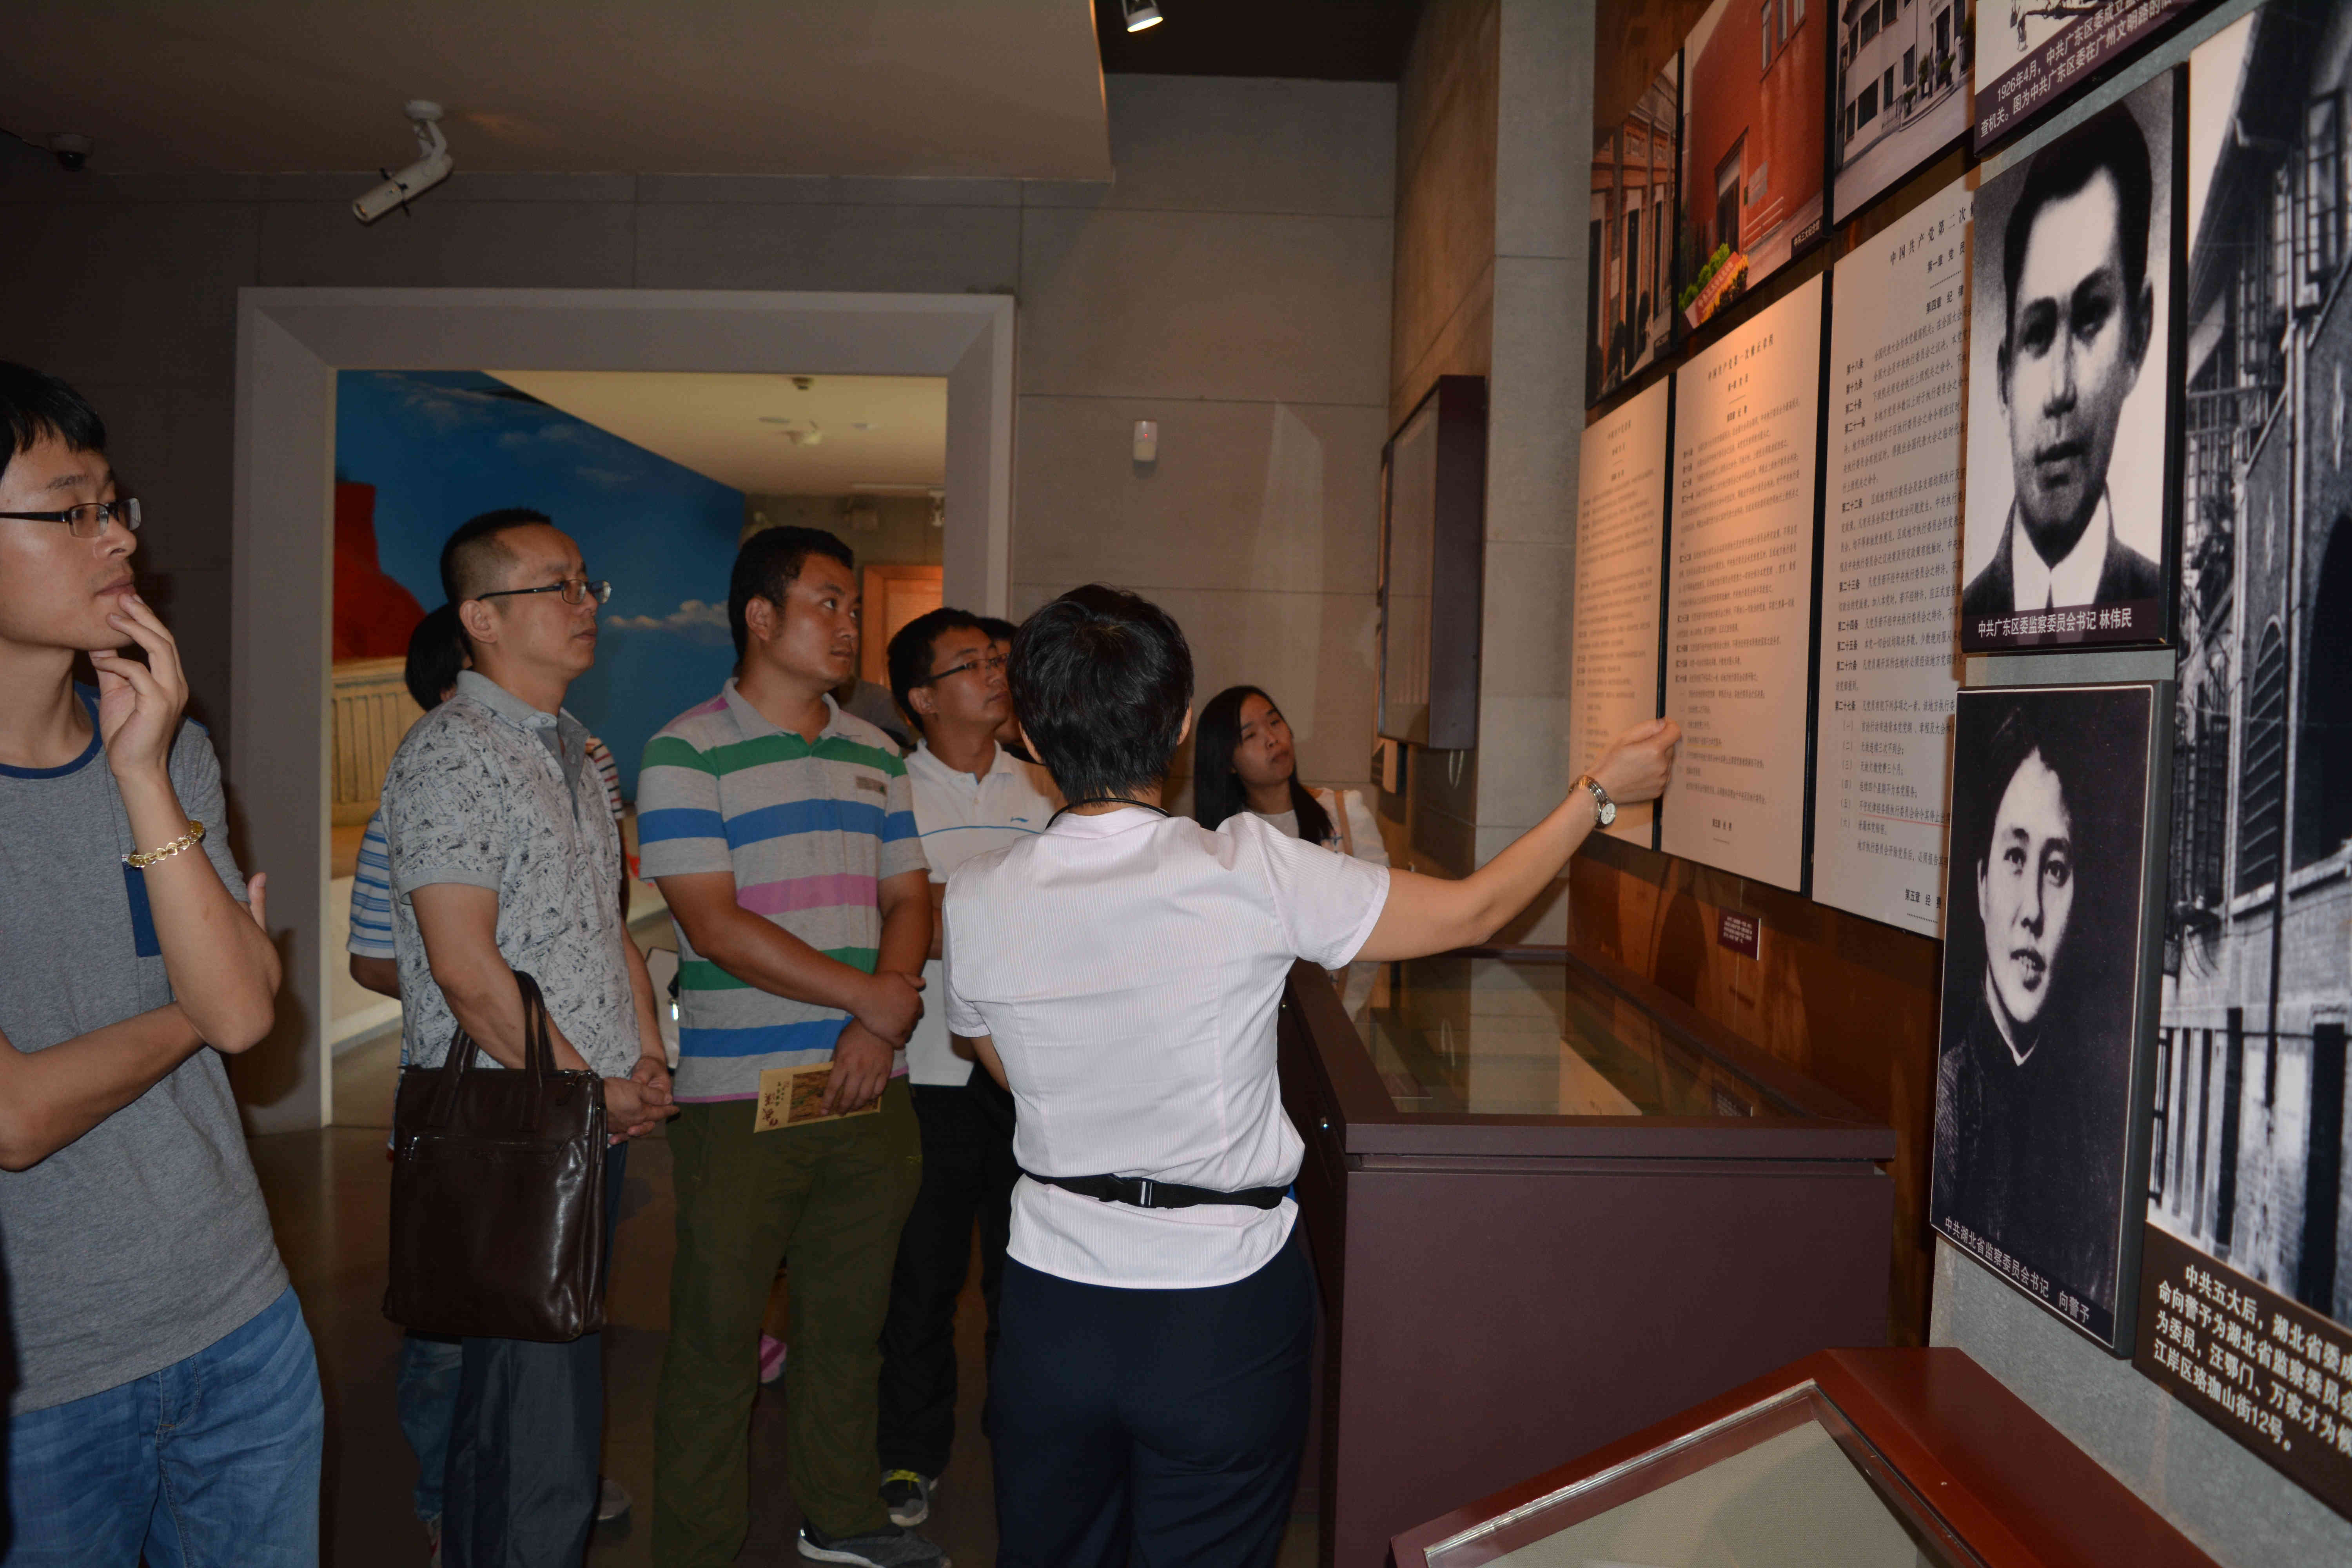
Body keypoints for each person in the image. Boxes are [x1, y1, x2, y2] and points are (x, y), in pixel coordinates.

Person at [942, 585, 1677, 1566]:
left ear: (1029, 733)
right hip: (1219, 1301)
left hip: (1049, 1298)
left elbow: (1001, 1064)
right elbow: (1473, 910)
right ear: (1179, 723)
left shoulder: (977, 894)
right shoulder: (1250, 866)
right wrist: (1599, 791)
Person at [0, 362, 319, 1563]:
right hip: (41, 1382)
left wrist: (140, 772)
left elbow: (246, 1016)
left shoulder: (163, 744)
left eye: (114, 504)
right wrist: (211, 997)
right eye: (70, 510)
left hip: (241, 1320)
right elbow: (17, 1117)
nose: (118, 537)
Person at [638, 526, 943, 1568]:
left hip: (873, 1086)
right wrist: (873, 999)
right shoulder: (685, 751)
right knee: (717, 1341)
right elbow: (714, 925)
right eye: (828, 602)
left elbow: (909, 896)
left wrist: (874, 1025)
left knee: (849, 1329)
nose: (850, 623)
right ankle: (694, 1548)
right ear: (760, 617)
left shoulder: (877, 754)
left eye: (854, 604)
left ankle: (842, 1516)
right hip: (741, 1098)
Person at [380, 508, 677, 1568]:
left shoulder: (576, 752)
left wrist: (645, 1053)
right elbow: (466, 971)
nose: (585, 602)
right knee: (534, 1428)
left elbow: (606, 925)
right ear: (482, 617)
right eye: (557, 585)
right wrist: (591, 1090)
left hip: (579, 1111)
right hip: (513, 1127)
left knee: (531, 1404)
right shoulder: (452, 755)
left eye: (586, 582)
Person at [872, 609, 1056, 1528]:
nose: (995, 674)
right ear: (921, 696)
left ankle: (1025, 1440)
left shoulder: (1045, 784)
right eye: (970, 664)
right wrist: (978, 906)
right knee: (924, 1278)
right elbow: (894, 916)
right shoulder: (890, 790)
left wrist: (947, 905)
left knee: (1027, 1280)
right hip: (929, 1075)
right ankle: (910, 1454)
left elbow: (1069, 912)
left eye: (996, 661)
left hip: (1030, 1076)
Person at [1933, 702, 2124, 1319]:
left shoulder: (2098, 1149)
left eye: (2057, 869)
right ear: (1982, 885)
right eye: (2015, 860)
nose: (2033, 910)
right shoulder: (1945, 1106)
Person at [1963, 101, 2163, 622]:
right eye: (2037, 334)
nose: (2060, 389)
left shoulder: (2165, 605)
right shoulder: (1963, 618)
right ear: (2004, 380)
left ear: (2138, 337)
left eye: (2091, 316)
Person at [1192, 684, 1387, 869]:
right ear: (1227, 762)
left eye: (1275, 722)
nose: (1272, 739)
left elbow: (1389, 890)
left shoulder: (1345, 810)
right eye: (1251, 735)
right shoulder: (1224, 837)